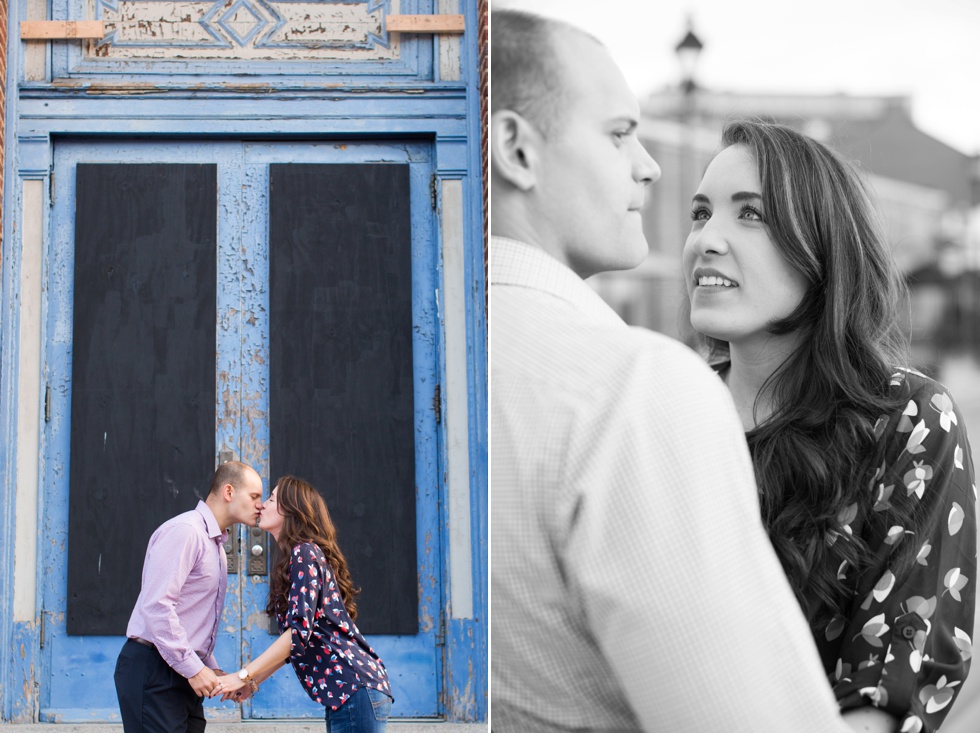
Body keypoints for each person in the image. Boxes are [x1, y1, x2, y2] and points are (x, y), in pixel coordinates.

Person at [490, 9, 857, 733]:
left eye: (751, 214)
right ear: (517, 150)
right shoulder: (634, 390)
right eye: (620, 132)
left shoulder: (378, 369)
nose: (649, 164)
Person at [683, 118, 977, 733]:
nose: (706, 239)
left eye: (751, 215)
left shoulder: (907, 418)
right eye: (700, 213)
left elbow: (891, 686)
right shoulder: (665, 408)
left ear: (823, 248)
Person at [211, 475, 393, 733]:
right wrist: (252, 683)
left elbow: (297, 634)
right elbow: (298, 641)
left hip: (354, 688)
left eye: (271, 499)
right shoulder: (297, 557)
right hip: (348, 693)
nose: (262, 505)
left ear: (290, 510)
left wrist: (243, 675)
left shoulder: (304, 552)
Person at [114, 460, 264, 733]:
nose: (260, 505)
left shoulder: (215, 545)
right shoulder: (186, 532)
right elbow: (157, 606)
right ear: (228, 492)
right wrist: (194, 669)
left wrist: (211, 670)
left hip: (180, 671)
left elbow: (190, 618)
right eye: (254, 496)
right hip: (154, 669)